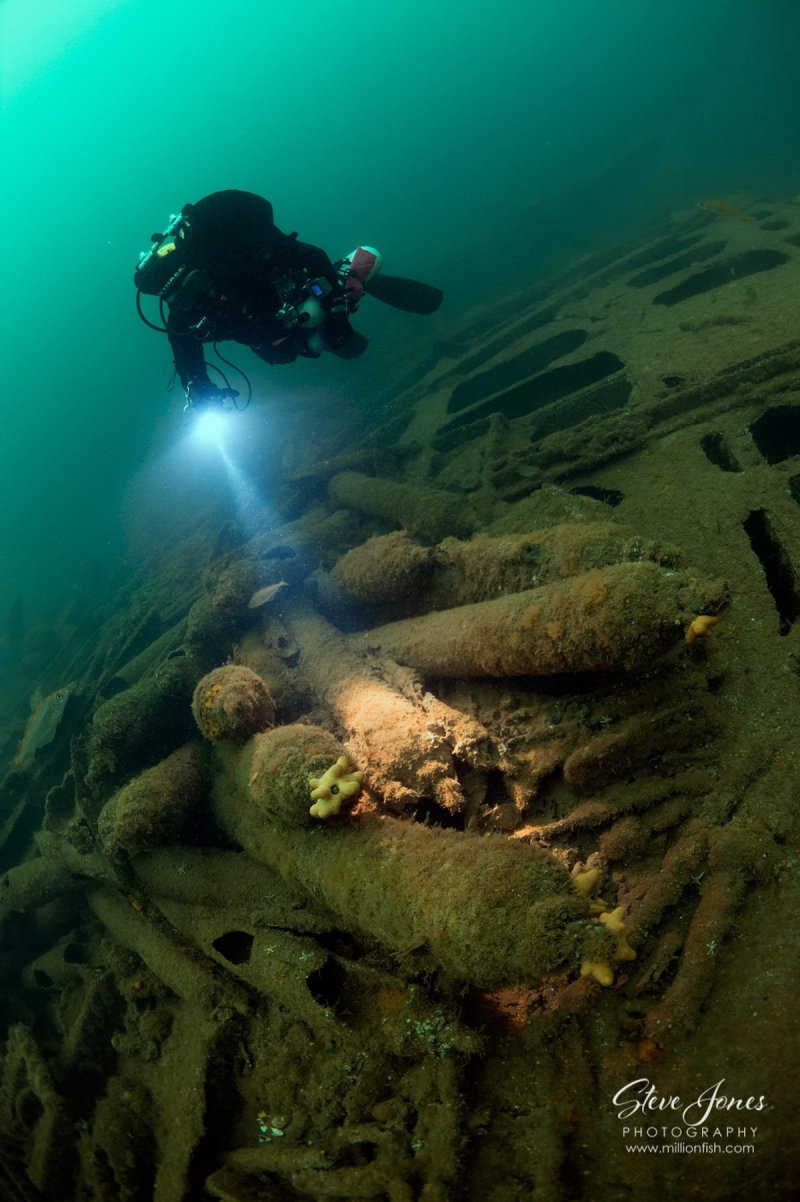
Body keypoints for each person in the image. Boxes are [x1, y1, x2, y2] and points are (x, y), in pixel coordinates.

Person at [134, 189, 441, 412]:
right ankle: (325, 341)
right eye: (180, 294)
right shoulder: (183, 311)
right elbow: (185, 355)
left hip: (295, 300)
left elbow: (313, 256)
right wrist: (200, 390)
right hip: (270, 330)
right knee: (282, 354)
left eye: (192, 284)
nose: (191, 294)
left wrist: (337, 310)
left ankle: (352, 279)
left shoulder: (243, 251)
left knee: (332, 322)